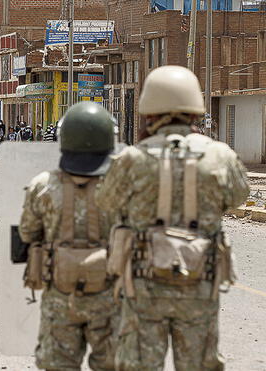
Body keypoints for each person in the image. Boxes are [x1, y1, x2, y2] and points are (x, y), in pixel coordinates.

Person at [95, 65, 250, 371]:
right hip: (198, 283)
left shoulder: (132, 159)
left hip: (143, 285)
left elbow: (106, 203)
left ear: (149, 111)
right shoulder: (220, 155)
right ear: (195, 110)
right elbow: (238, 198)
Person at [19, 102, 119, 371]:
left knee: (57, 365)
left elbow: (27, 233)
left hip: (60, 294)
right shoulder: (121, 186)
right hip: (110, 296)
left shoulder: (43, 186)